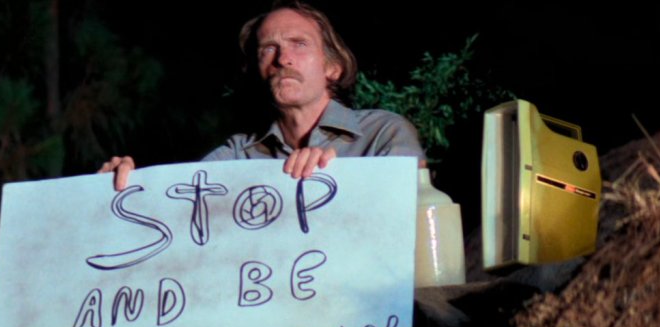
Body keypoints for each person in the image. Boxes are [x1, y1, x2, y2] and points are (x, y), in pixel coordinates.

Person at [99, 0, 426, 190]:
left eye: (299, 44)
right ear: (256, 71)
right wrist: (126, 188)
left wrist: (336, 180)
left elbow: (411, 216)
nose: (283, 59)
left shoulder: (384, 132)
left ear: (333, 68)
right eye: (268, 48)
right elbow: (183, 199)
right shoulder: (239, 152)